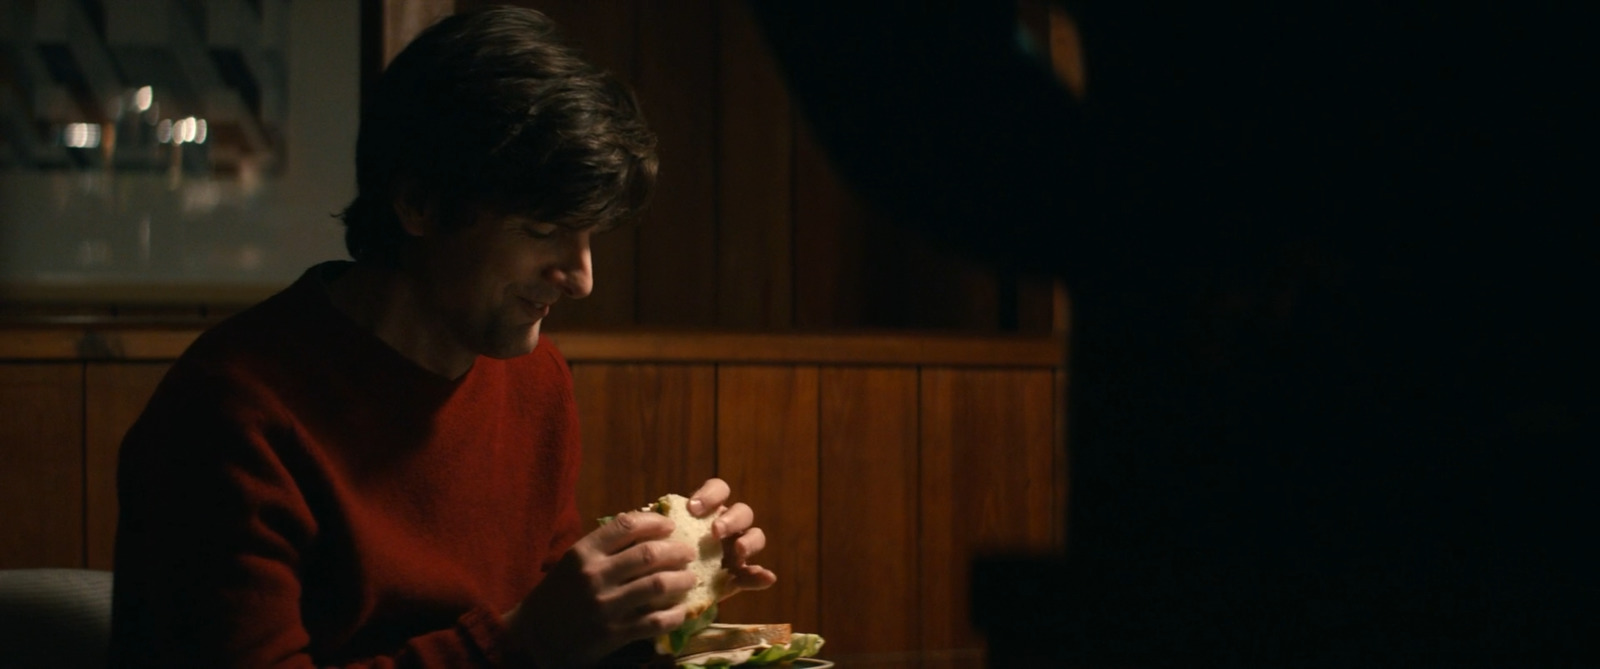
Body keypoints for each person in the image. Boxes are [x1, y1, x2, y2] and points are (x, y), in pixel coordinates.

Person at [748, 0, 1594, 666]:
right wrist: (1162, 225)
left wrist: (1144, 224)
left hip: (1229, 393)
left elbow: (885, 52)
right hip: (1243, 419)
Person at [109, 7, 776, 667]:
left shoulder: (535, 380)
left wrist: (655, 597)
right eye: (543, 232)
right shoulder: (232, 412)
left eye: (590, 235)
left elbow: (548, 643)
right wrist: (529, 636)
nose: (581, 279)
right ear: (419, 204)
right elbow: (526, 641)